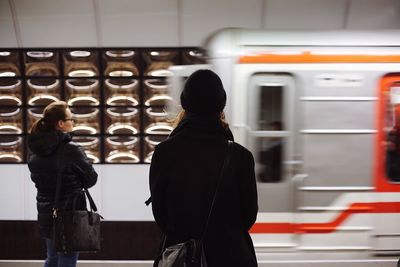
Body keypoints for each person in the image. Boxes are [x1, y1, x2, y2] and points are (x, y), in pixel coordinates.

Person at [149, 69, 258, 266]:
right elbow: (248, 216)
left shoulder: (164, 154)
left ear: (185, 104)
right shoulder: (241, 157)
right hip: (231, 257)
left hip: (181, 258)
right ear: (221, 105)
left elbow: (161, 216)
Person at [27, 101, 98, 267]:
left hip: (46, 212)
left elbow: (37, 179)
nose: (73, 122)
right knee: (67, 259)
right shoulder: (71, 150)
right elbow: (91, 179)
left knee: (52, 258)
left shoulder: (35, 150)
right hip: (69, 214)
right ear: (60, 123)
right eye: (71, 119)